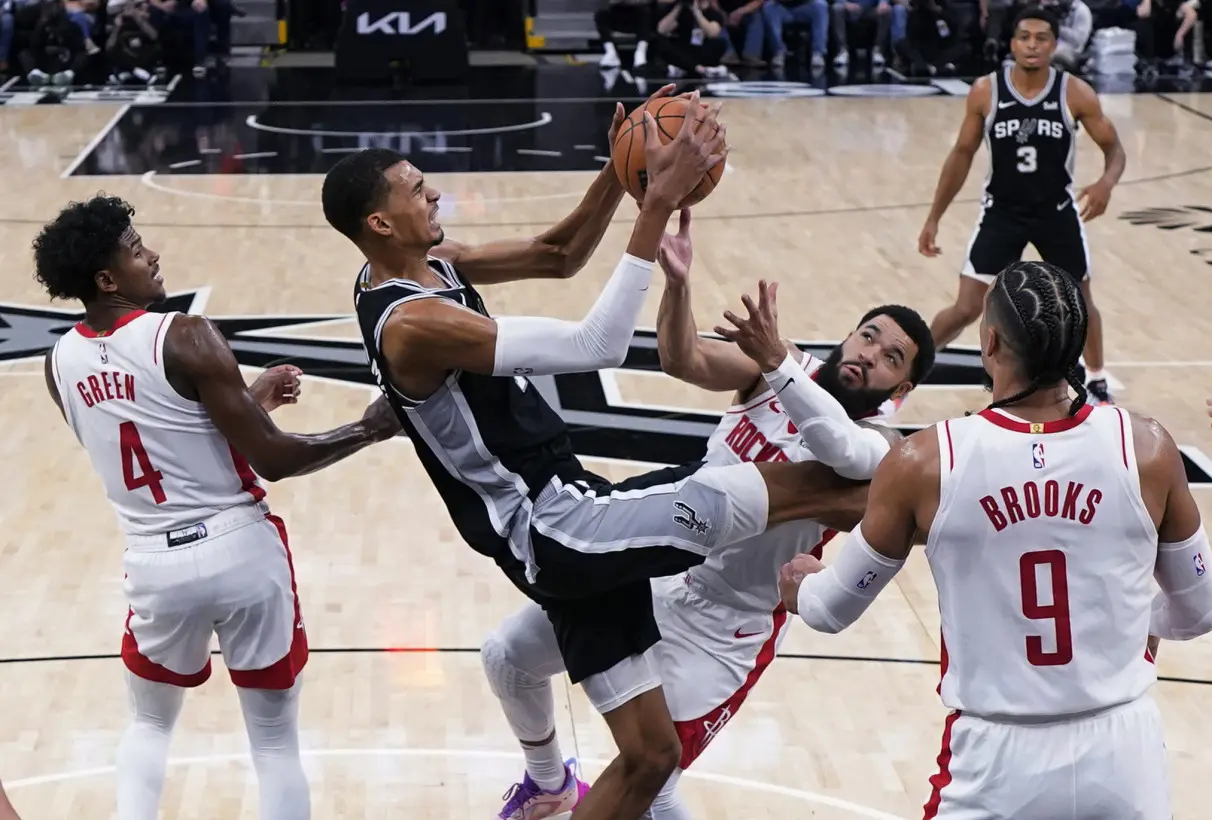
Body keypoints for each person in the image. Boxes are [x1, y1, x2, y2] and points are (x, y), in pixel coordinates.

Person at [325, 90, 881, 820]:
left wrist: (623, 174)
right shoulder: (413, 325)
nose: (435, 193)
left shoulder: (430, 264)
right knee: (816, 482)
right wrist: (658, 205)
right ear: (379, 222)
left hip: (566, 515)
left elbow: (557, 255)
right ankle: (955, 498)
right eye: (416, 189)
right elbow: (598, 345)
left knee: (651, 759)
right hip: (554, 525)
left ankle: (550, 789)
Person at [479, 208, 936, 820]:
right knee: (507, 656)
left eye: (892, 358)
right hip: (654, 573)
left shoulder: (882, 448)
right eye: (869, 335)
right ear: (848, 335)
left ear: (899, 391)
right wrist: (678, 285)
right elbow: (680, 358)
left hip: (724, 630)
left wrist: (775, 361)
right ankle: (549, 784)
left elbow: (837, 446)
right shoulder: (779, 367)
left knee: (650, 778)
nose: (871, 353)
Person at [779, 260, 1212, 820]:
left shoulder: (923, 460)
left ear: (989, 343)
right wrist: (1125, 621)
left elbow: (833, 610)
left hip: (997, 762)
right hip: (1124, 753)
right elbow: (1202, 611)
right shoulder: (1148, 447)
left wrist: (804, 590)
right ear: (1079, 347)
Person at [34, 196, 402, 820]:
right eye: (134, 248)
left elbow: (154, 436)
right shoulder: (185, 335)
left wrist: (251, 400)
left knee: (148, 727)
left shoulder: (57, 363)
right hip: (239, 549)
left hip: (154, 562)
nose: (152, 254)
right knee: (275, 741)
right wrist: (369, 430)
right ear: (105, 279)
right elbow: (276, 460)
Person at [918, 6, 1126, 406]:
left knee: (1081, 302)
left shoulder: (1074, 92)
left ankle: (1097, 379)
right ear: (1012, 43)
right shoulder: (986, 91)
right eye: (1025, 37)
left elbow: (1114, 149)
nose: (1032, 45)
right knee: (966, 307)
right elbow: (961, 154)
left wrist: (1106, 183)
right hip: (1003, 211)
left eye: (1041, 38)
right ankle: (910, 368)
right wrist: (933, 218)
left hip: (1055, 211)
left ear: (1053, 44)